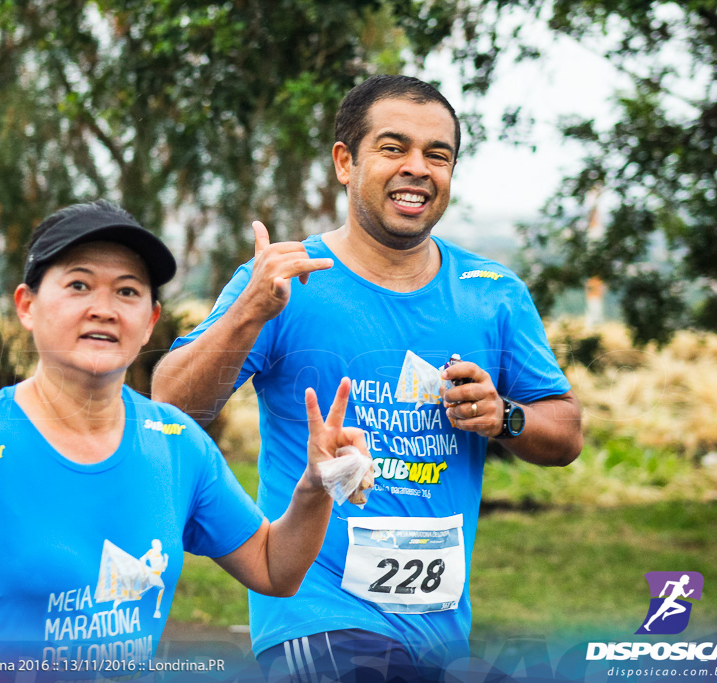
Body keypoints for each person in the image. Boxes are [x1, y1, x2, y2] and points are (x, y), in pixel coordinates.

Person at [0, 200, 368, 669]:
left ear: (150, 324)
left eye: (128, 292)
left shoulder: (177, 444)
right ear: (27, 306)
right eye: (79, 285)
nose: (105, 308)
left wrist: (316, 488)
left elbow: (276, 570)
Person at [151, 75, 584, 679]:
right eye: (393, 147)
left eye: (438, 155)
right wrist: (249, 311)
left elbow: (565, 433)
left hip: (441, 630)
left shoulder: (493, 294)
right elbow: (169, 406)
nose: (418, 168)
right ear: (345, 163)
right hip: (317, 614)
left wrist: (504, 416)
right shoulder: (286, 279)